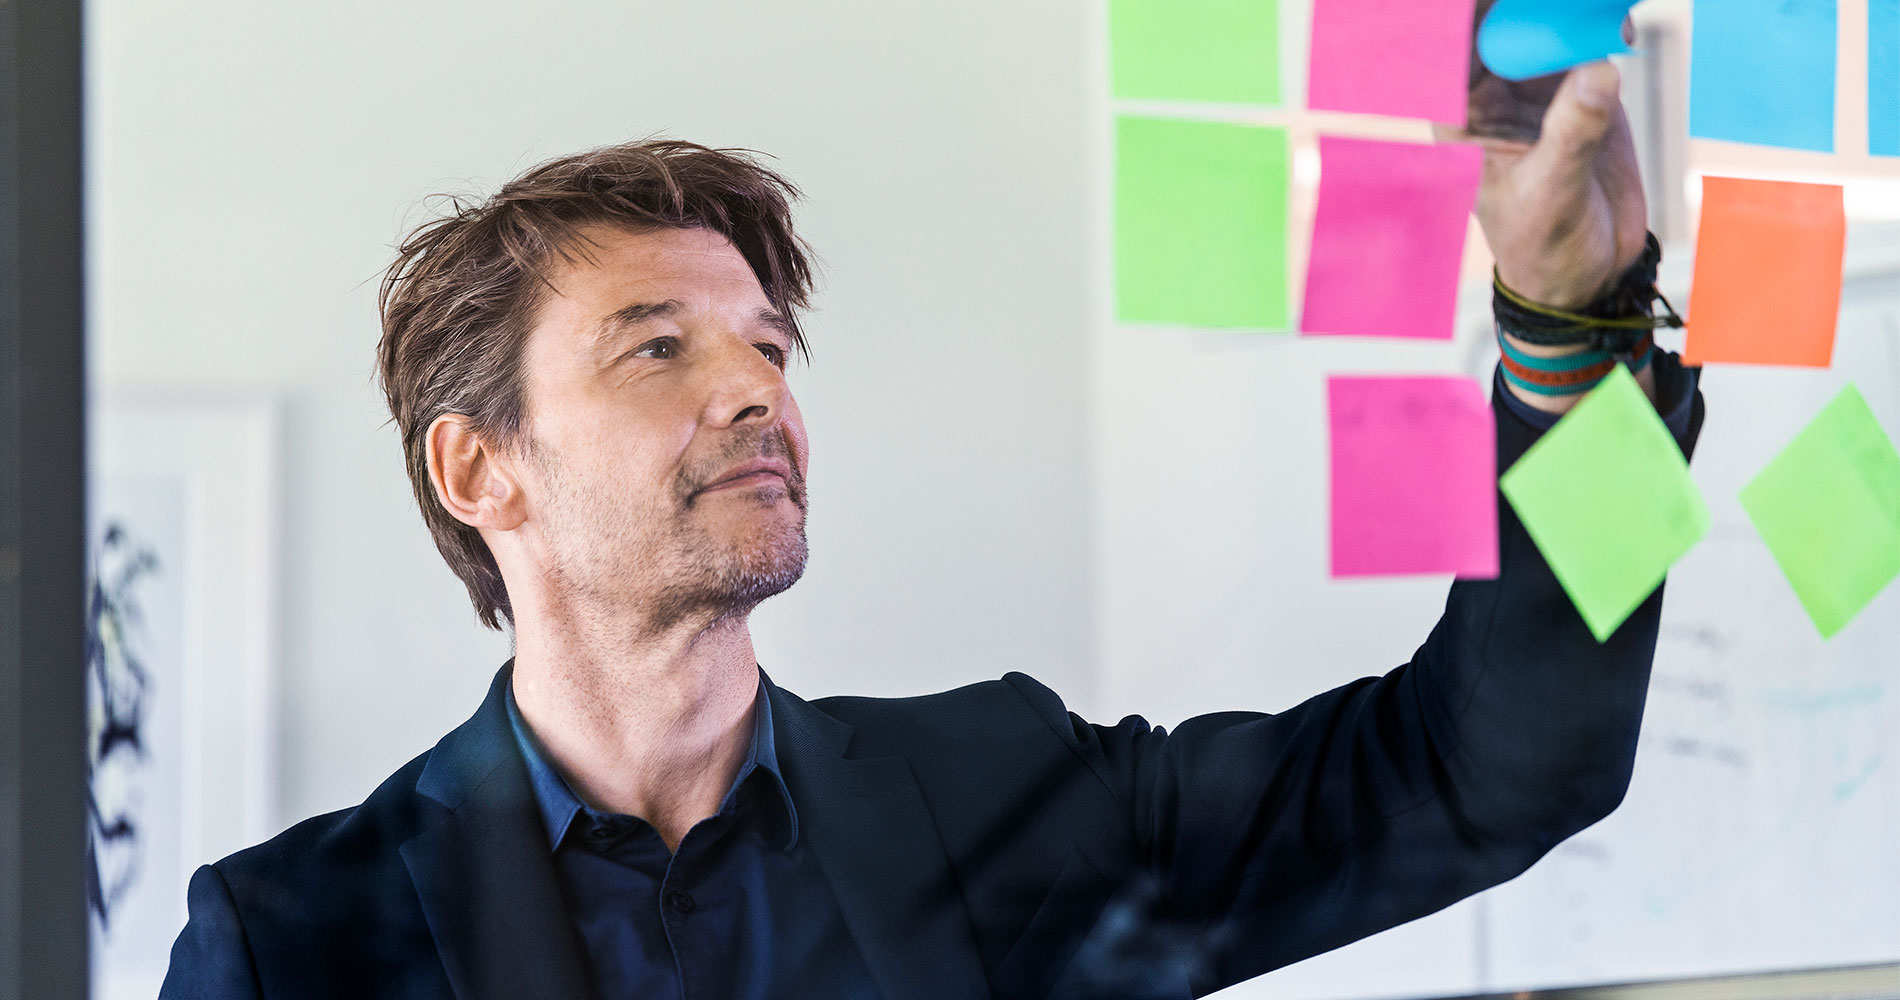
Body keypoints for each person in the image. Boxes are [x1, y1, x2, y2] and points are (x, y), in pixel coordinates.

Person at [159, 57, 1703, 1000]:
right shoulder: (294, 942)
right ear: (479, 471)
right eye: (659, 347)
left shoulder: (1009, 797)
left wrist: (1571, 337)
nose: (755, 390)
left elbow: (1494, 772)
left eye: (768, 345)